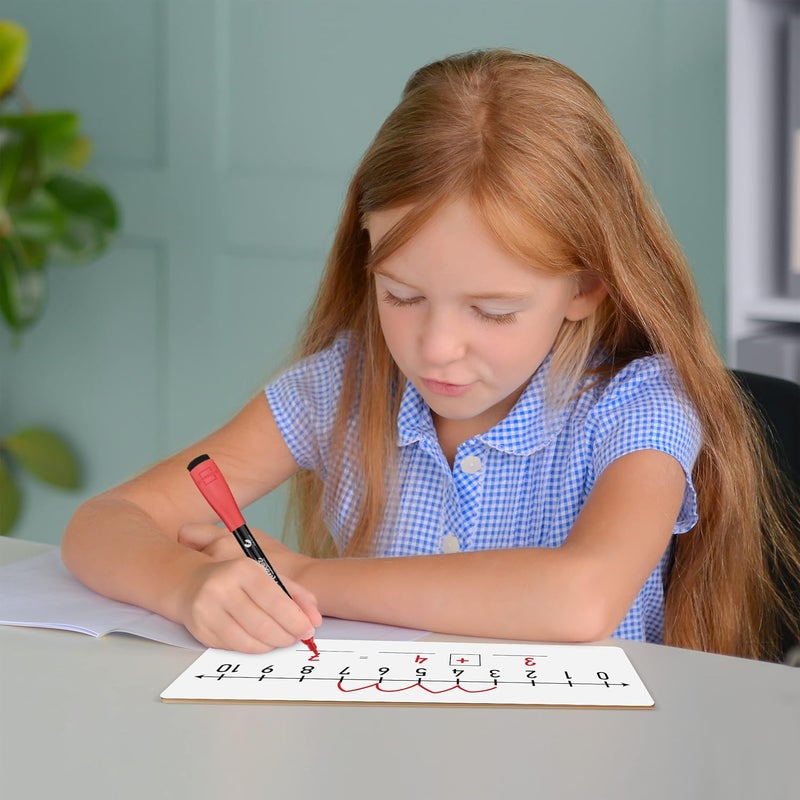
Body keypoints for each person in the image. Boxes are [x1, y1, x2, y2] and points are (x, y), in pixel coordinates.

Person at [62, 48, 800, 661]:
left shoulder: (639, 407)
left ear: (586, 288)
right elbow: (105, 521)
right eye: (403, 296)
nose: (436, 347)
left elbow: (580, 596)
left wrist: (310, 578)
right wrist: (185, 587)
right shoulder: (342, 389)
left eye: (493, 310)